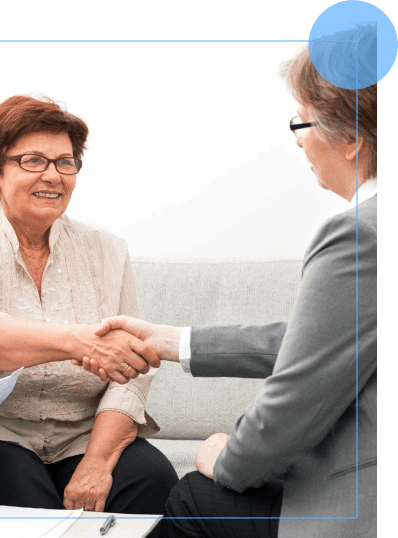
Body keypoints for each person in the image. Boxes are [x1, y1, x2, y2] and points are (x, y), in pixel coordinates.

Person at [76, 39, 377, 537]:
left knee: (196, 495)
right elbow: (323, 341)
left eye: (301, 123)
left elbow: (294, 404)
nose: (299, 141)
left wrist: (226, 458)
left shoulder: (358, 233)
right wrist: (172, 342)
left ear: (352, 139)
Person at [0, 95, 177, 514]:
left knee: (153, 480)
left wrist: (97, 463)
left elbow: (131, 374)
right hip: (3, 433)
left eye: (65, 161)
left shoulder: (108, 251)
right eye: (33, 161)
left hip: (87, 433)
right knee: (23, 503)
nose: (54, 175)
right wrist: (84, 343)